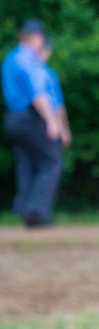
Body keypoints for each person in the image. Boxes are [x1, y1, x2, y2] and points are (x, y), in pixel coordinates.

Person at [1, 20, 63, 227]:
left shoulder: (10, 58)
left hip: (13, 118)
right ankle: (37, 212)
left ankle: (26, 210)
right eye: (41, 38)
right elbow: (38, 94)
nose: (43, 42)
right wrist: (51, 121)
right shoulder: (28, 59)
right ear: (33, 38)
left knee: (26, 164)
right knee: (51, 162)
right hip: (30, 117)